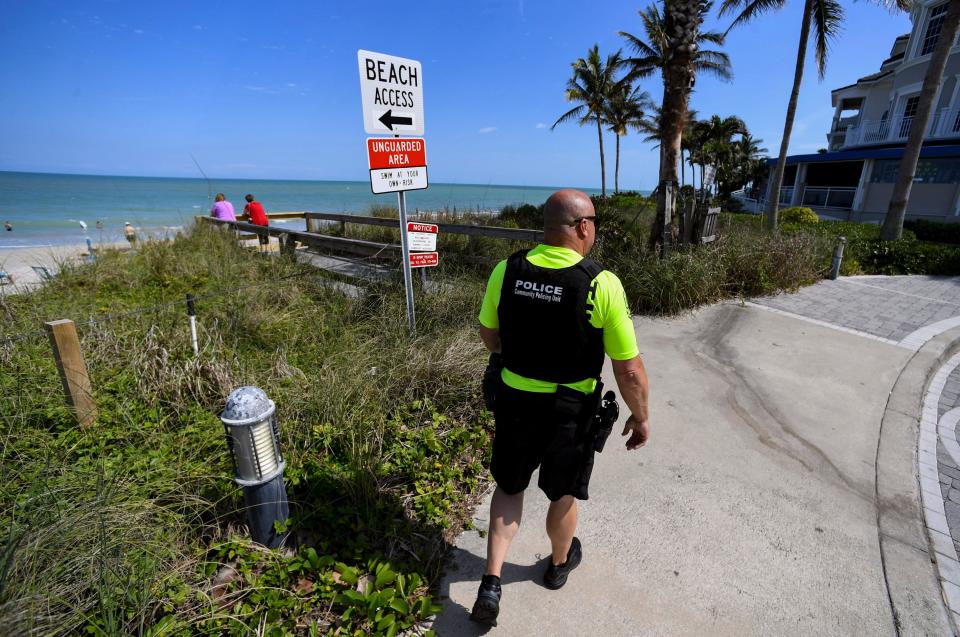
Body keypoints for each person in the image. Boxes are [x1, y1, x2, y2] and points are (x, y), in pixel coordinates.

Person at [470, 189, 651, 626]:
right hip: (569, 410)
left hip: (514, 400)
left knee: (510, 488)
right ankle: (557, 564)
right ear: (583, 227)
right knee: (562, 492)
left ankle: (491, 581)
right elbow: (628, 370)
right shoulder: (601, 282)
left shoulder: (507, 269)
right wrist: (641, 415)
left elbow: (489, 335)